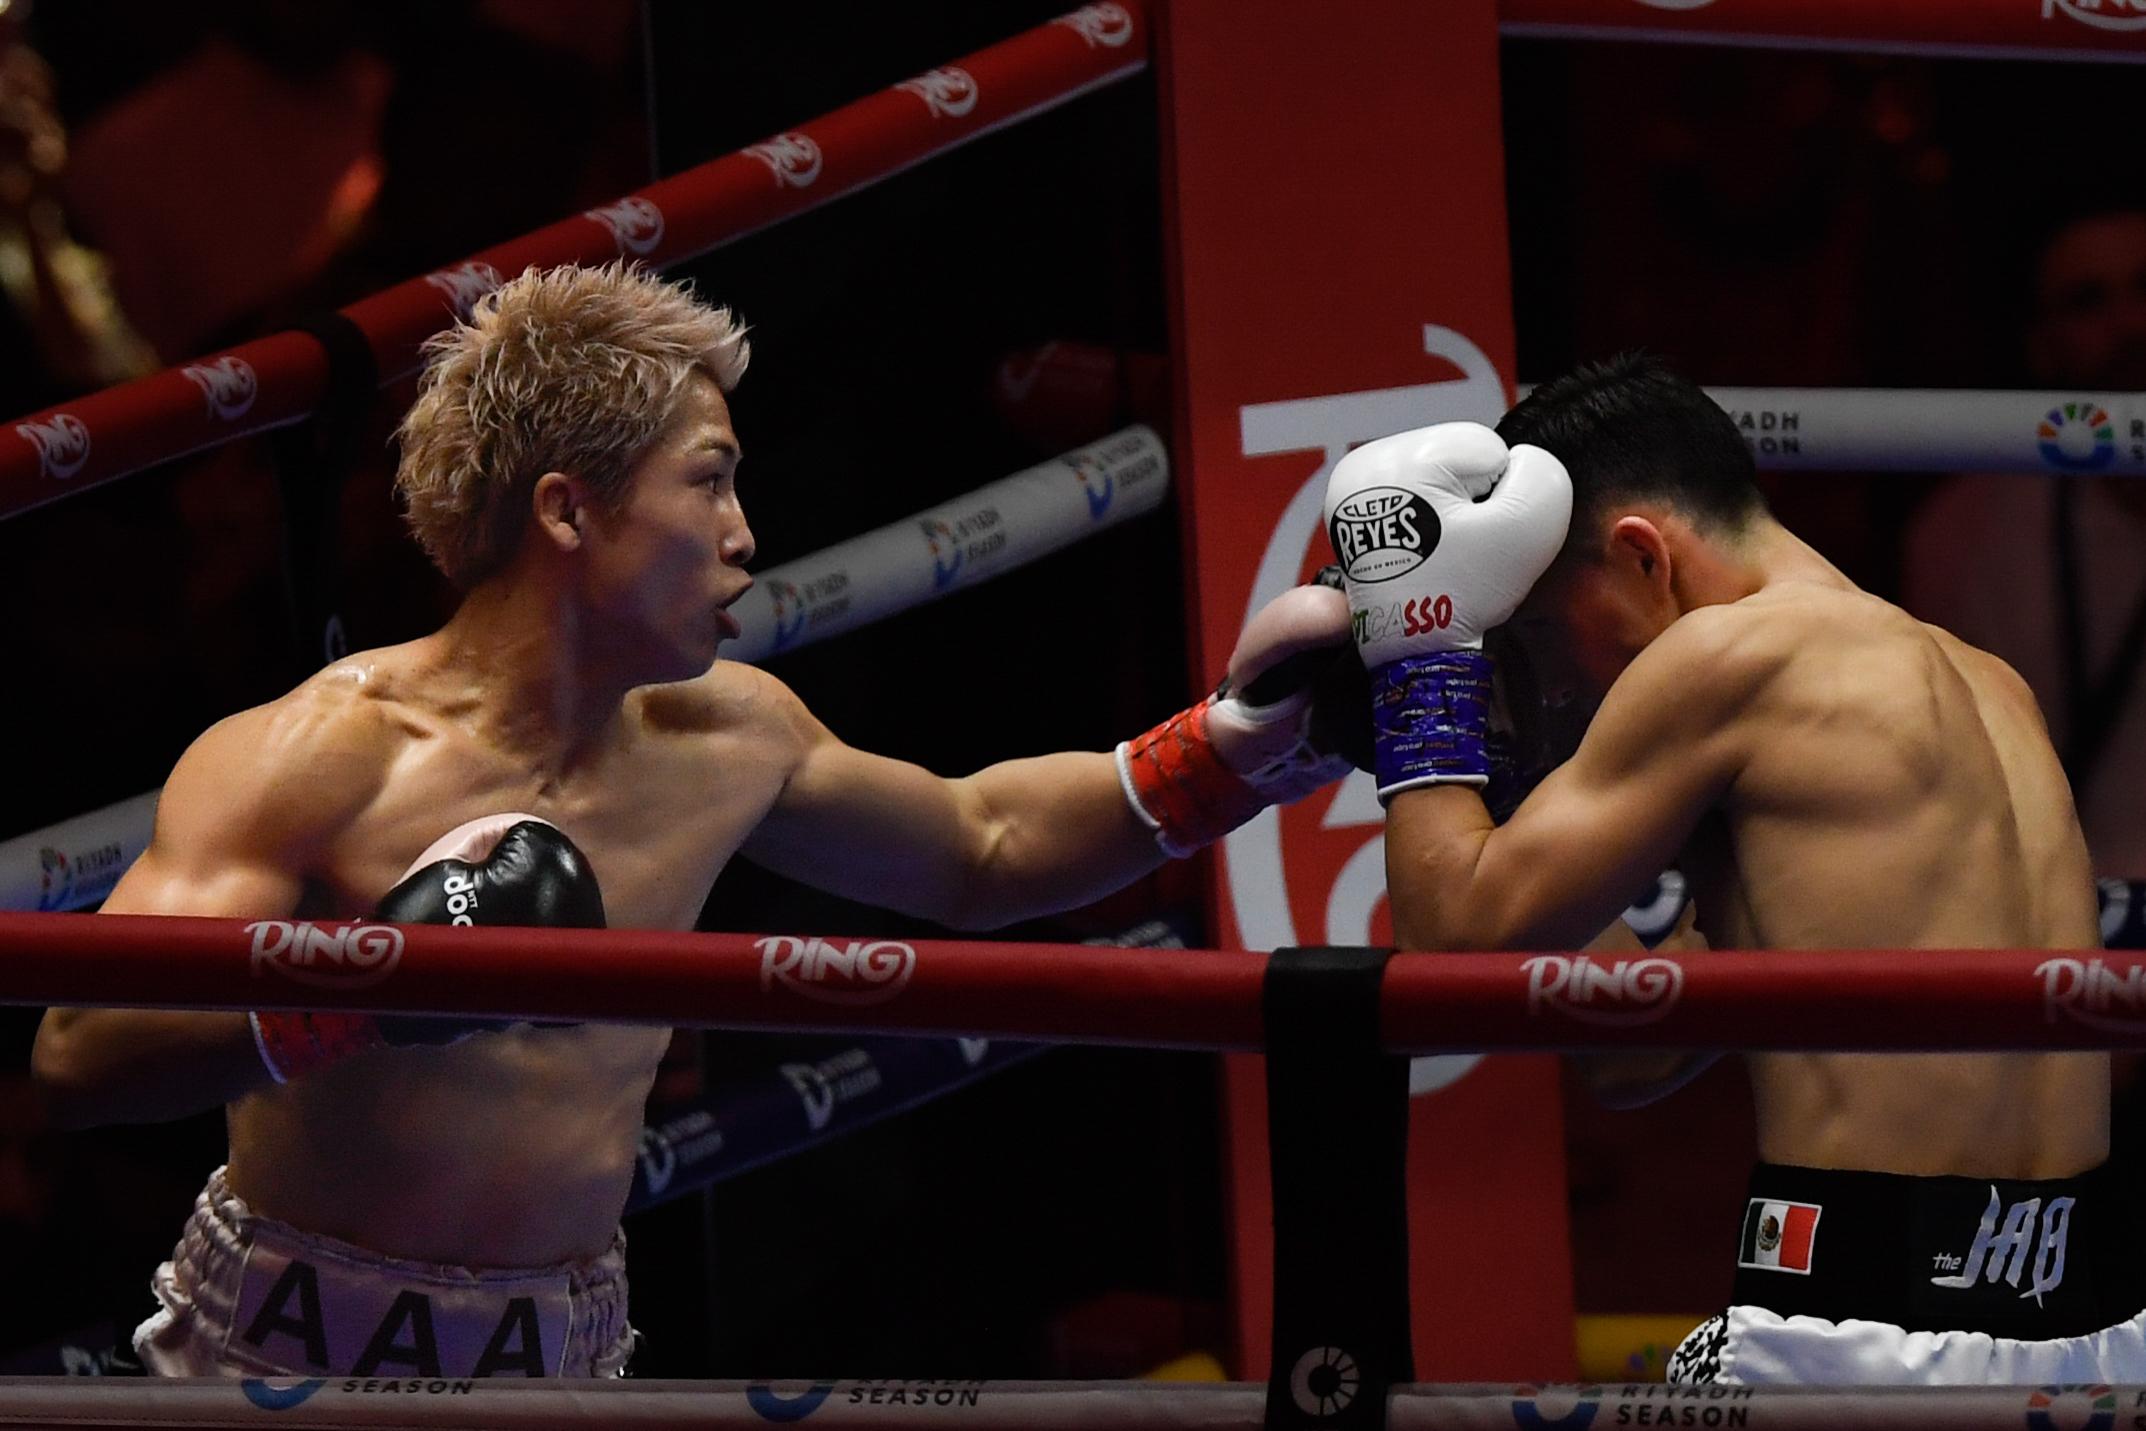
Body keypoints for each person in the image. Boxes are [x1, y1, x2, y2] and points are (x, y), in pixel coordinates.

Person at [30, 262, 1359, 1379]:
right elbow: (83, 1053)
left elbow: (980, 844)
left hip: (562, 1359)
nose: (743, 533)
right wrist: (362, 987)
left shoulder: (729, 734)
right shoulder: (318, 756)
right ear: (569, 507)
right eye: (707, 482)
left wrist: (1226, 754)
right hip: (275, 1358)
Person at [1324, 353, 2115, 1385]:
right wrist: (1503, 777)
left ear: (1643, 557)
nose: (1556, 683)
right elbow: (1632, 1057)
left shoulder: (1731, 661)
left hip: (1864, 1327)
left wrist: (1418, 675)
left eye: (1544, 633)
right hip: (2083, 1322)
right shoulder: (1986, 686)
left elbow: (1451, 945)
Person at [1903, 202, 2146, 880]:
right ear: (2041, 342)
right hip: (2043, 908)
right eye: (2088, 301)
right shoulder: (1963, 526)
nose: (2129, 324)